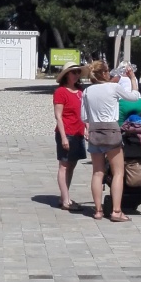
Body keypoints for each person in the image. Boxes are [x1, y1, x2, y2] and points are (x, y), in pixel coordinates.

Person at [82, 59, 140, 222]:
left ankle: (98, 210)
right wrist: (132, 78)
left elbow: (84, 116)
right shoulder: (113, 87)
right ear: (104, 73)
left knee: (97, 172)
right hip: (111, 130)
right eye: (107, 71)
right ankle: (116, 211)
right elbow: (134, 97)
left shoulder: (87, 91)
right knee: (118, 172)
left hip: (95, 130)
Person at [52, 62, 86, 209]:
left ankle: (64, 196)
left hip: (78, 132)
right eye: (74, 72)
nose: (76, 75)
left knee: (72, 165)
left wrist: (86, 128)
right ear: (66, 75)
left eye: (78, 72)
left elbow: (83, 113)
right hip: (66, 132)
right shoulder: (60, 92)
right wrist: (64, 137)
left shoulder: (80, 91)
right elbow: (58, 116)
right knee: (64, 165)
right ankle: (66, 201)